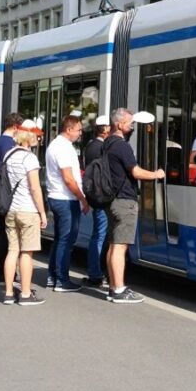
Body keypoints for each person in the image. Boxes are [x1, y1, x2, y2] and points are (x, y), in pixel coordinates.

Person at [105, 108, 165, 304]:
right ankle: (119, 289)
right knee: (120, 246)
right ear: (119, 124)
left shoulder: (107, 143)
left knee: (114, 245)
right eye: (130, 123)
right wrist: (156, 174)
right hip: (124, 201)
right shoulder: (122, 146)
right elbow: (136, 172)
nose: (132, 126)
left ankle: (114, 286)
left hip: (113, 200)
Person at [2, 121, 49, 306]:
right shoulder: (29, 158)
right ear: (29, 137)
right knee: (27, 253)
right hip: (28, 210)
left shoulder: (9, 154)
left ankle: (7, 293)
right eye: (37, 135)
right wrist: (43, 213)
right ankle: (26, 294)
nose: (39, 138)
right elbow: (35, 189)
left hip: (11, 210)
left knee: (12, 250)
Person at [45, 115, 90, 292]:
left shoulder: (55, 145)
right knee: (66, 240)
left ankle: (53, 276)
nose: (80, 134)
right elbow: (68, 178)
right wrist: (82, 199)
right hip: (65, 199)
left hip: (58, 198)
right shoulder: (63, 147)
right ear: (69, 129)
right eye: (79, 130)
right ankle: (62, 280)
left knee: (59, 239)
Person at [0, 112, 24, 285]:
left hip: (0, 194)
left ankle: (3, 272)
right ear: (16, 127)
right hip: (7, 196)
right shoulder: (9, 144)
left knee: (5, 235)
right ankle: (5, 274)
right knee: (9, 238)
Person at [82, 114, 111, 289]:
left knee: (98, 234)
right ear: (106, 129)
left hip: (95, 196)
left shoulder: (91, 146)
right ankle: (96, 273)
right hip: (102, 198)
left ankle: (96, 272)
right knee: (101, 235)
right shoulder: (101, 148)